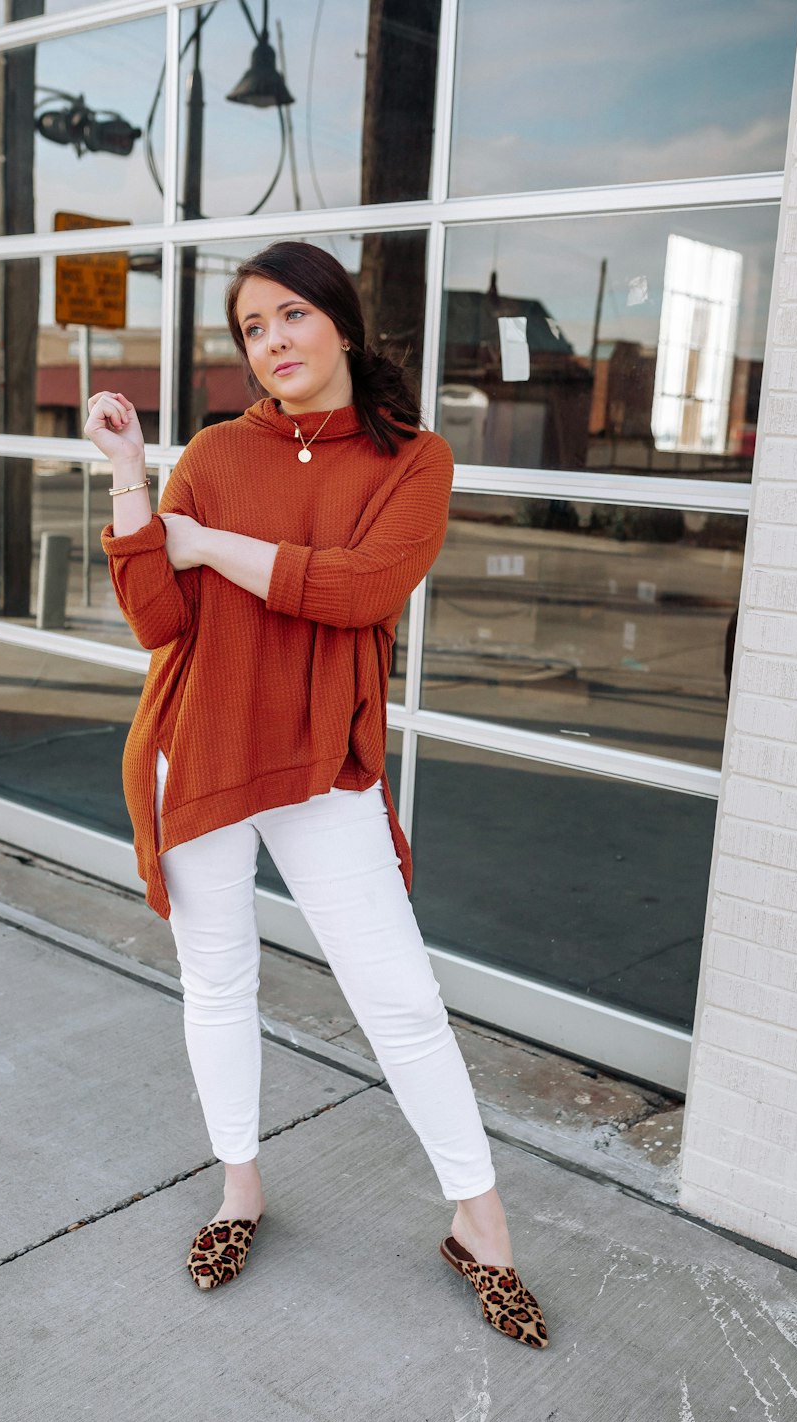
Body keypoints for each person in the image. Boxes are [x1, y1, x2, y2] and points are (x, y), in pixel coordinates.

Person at [84, 240, 548, 1349]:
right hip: (195, 751)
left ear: (341, 325)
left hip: (316, 763)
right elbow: (158, 623)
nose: (274, 343)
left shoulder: (413, 462)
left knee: (400, 999)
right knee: (219, 983)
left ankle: (481, 1228)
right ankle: (239, 1192)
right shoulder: (209, 452)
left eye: (291, 316)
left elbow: (357, 592)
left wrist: (210, 542)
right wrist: (134, 482)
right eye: (252, 328)